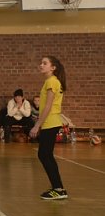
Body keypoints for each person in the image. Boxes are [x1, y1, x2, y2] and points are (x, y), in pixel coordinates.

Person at [29, 56, 68, 200]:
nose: (41, 65)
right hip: (50, 122)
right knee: (45, 155)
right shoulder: (51, 81)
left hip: (50, 122)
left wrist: (37, 125)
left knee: (45, 155)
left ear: (53, 68)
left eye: (45, 63)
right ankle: (58, 188)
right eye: (41, 63)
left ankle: (59, 189)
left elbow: (48, 106)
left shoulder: (52, 81)